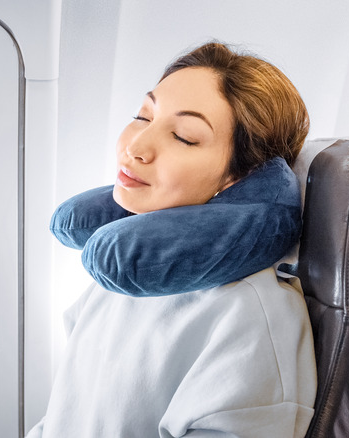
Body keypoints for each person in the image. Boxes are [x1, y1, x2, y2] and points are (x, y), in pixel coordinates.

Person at [27, 42, 316, 437]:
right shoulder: (122, 272)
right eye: (143, 116)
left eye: (183, 136)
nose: (136, 146)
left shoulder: (252, 318)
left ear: (238, 179)